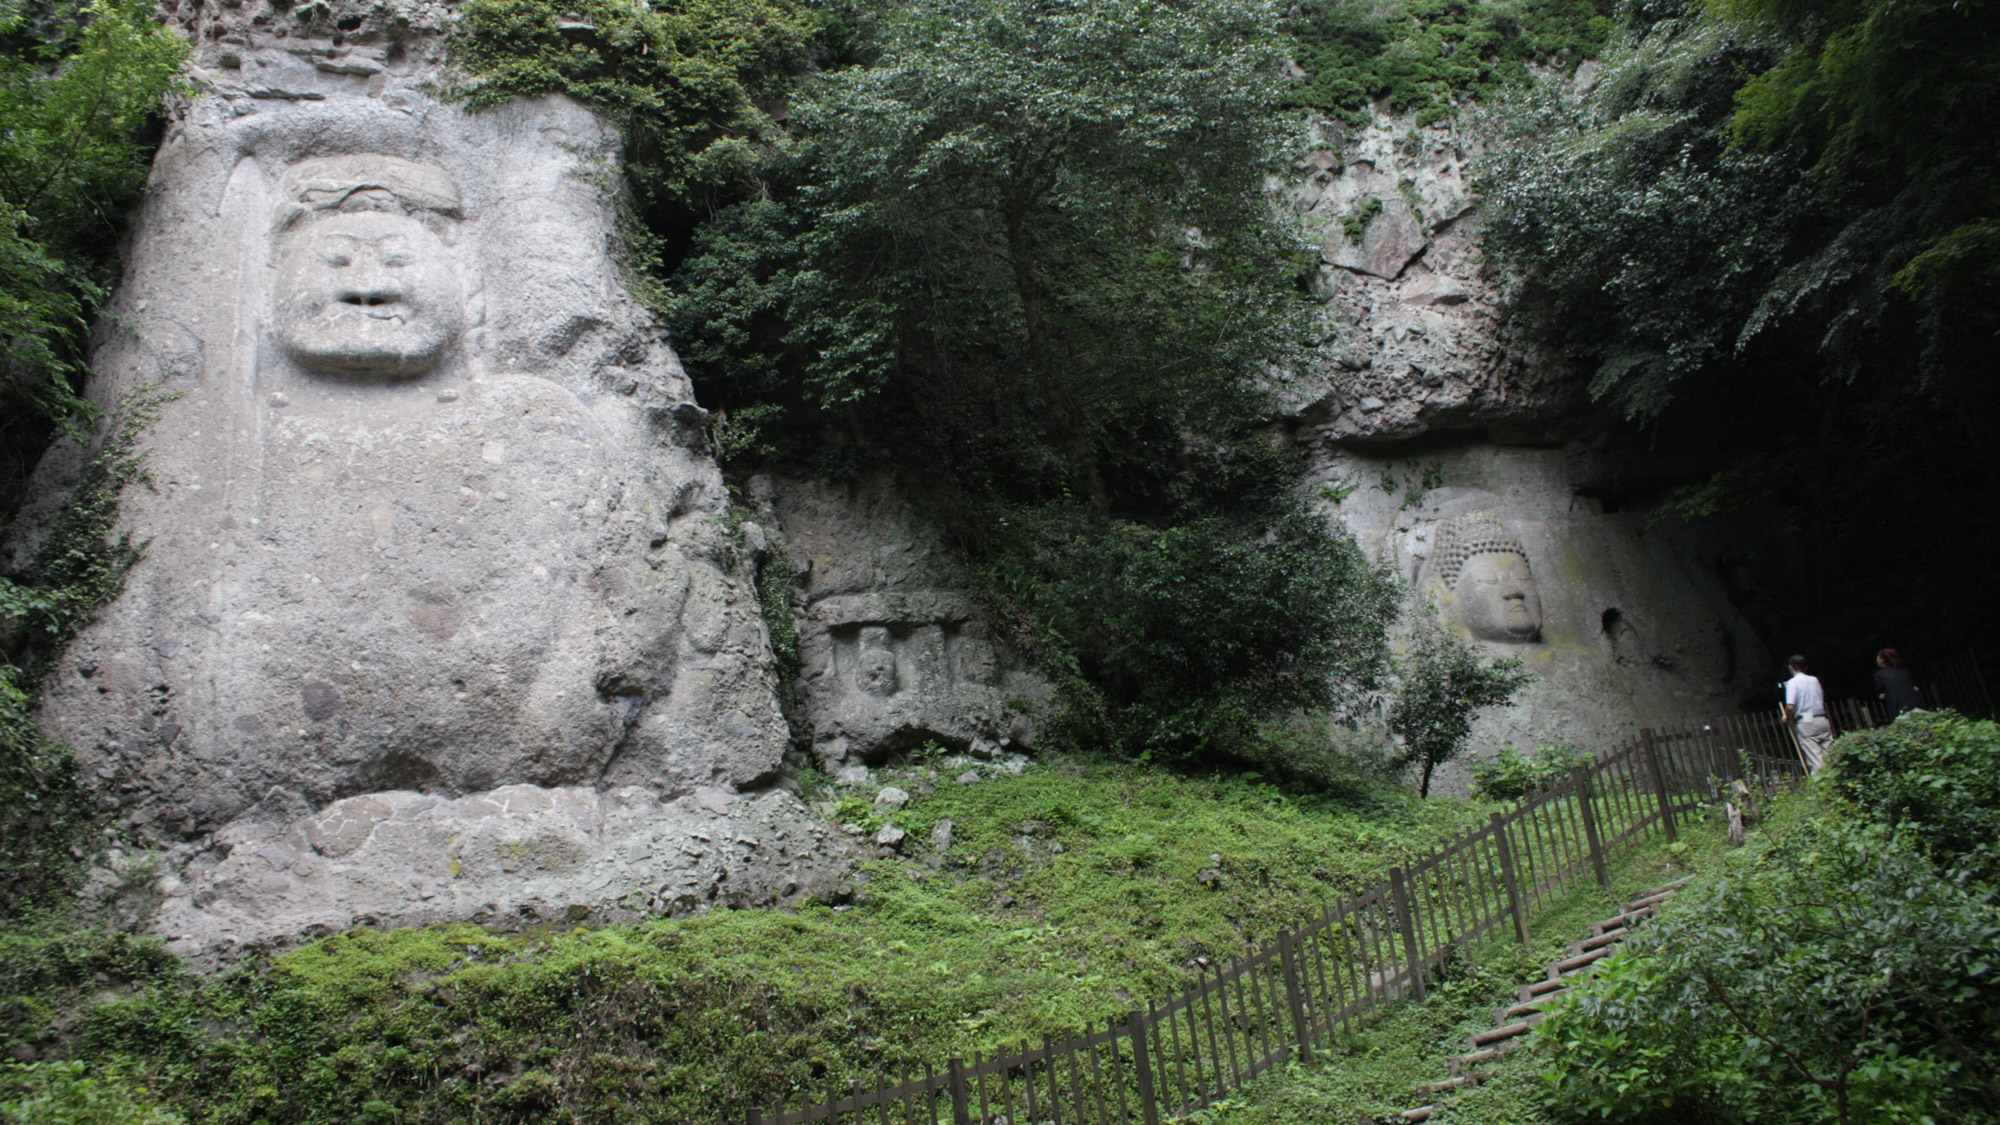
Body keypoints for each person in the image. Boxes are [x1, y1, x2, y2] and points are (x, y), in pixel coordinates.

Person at [1781, 654, 1832, 773]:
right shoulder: (1814, 680)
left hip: (1806, 720)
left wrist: (1786, 716)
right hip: (1822, 719)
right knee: (1830, 755)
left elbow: (1790, 705)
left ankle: (1822, 785)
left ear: (1791, 667)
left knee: (1815, 759)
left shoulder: (1792, 683)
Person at [1873, 648, 1924, 720]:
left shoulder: (1879, 675)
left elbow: (1881, 695)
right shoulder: (1904, 670)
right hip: (1916, 705)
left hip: (1897, 708)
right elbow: (1915, 688)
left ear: (1881, 660)